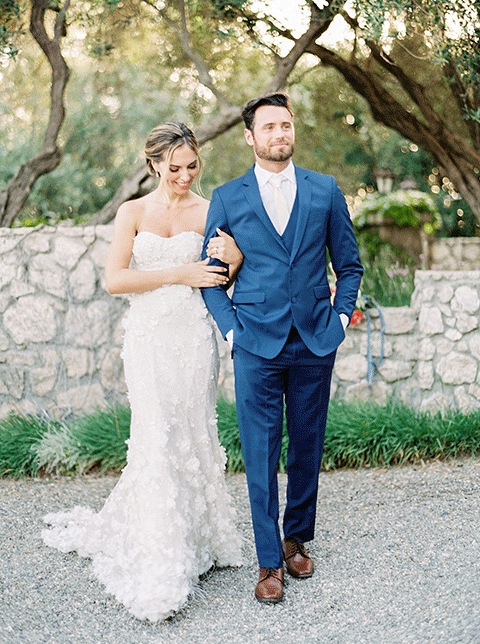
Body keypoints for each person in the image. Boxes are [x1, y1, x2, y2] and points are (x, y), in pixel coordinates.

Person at [42, 122, 244, 622]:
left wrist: (233, 261)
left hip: (195, 338)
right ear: (153, 164)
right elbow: (115, 280)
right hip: (149, 339)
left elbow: (222, 276)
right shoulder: (132, 212)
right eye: (173, 168)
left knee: (194, 431)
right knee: (154, 434)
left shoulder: (211, 210)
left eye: (192, 166)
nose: (184, 176)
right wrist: (179, 272)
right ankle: (161, 552)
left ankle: (202, 535)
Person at [202, 93, 363, 604]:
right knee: (260, 451)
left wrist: (339, 319)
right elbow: (210, 276)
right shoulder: (228, 197)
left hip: (315, 339)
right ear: (250, 136)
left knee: (307, 446)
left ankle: (297, 538)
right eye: (269, 127)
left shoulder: (325, 190)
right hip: (255, 342)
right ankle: (268, 560)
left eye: (286, 125)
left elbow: (350, 265)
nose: (280, 134)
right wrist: (231, 331)